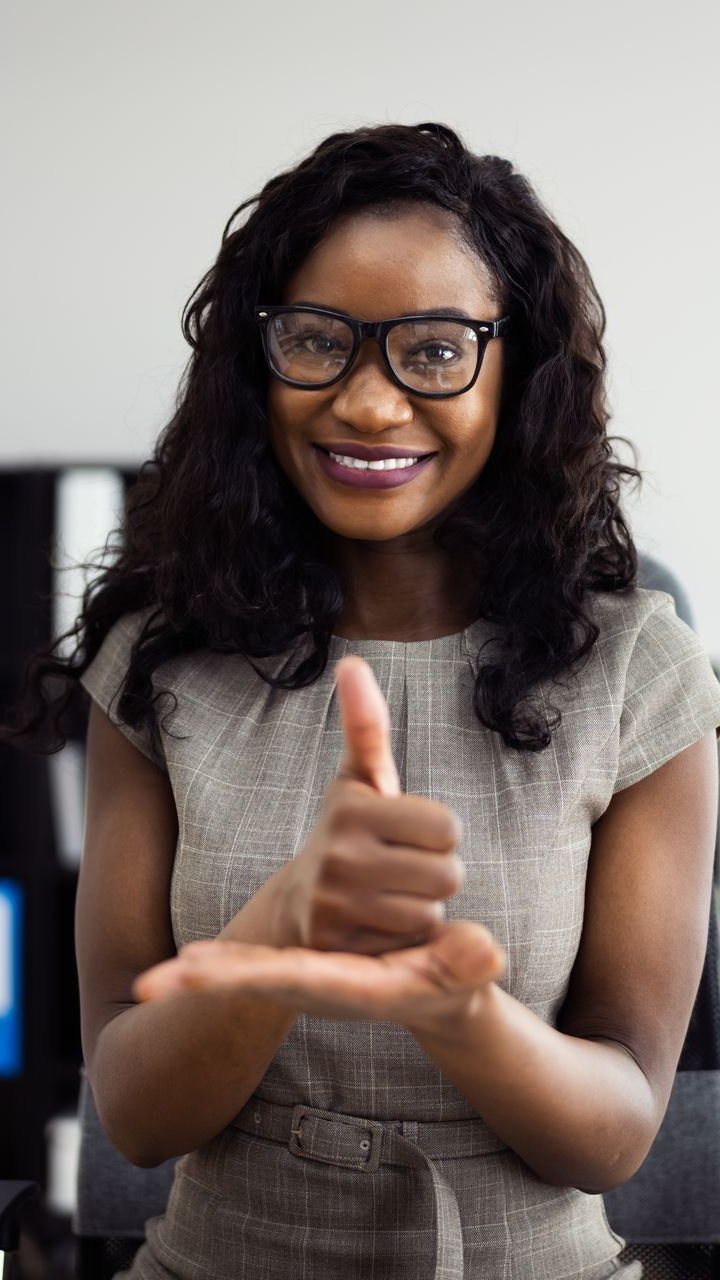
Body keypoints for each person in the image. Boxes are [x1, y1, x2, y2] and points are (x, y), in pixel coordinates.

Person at [7, 122, 720, 1279]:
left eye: (433, 351)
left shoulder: (640, 670)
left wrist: (455, 1005)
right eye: (319, 342)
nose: (370, 404)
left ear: (516, 367)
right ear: (260, 359)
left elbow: (621, 1129)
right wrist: (285, 930)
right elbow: (135, 1116)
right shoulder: (162, 661)